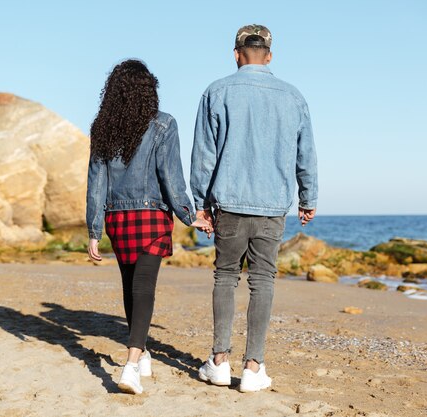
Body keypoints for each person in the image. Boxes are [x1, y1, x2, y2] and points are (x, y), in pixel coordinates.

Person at [191, 24, 318, 393]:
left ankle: (218, 361)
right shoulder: (293, 96)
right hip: (271, 204)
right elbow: (305, 154)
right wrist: (308, 198)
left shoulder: (217, 91)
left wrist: (201, 204)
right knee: (262, 280)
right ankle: (253, 366)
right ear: (270, 55)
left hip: (227, 202)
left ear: (236, 53)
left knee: (225, 277)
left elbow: (204, 156)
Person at [86, 59, 210, 395]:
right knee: (143, 288)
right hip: (151, 217)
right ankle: (131, 364)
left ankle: (143, 356)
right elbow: (170, 177)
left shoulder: (102, 128)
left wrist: (94, 230)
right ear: (149, 90)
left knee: (131, 287)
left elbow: (96, 183)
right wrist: (190, 215)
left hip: (118, 219)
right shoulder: (163, 124)